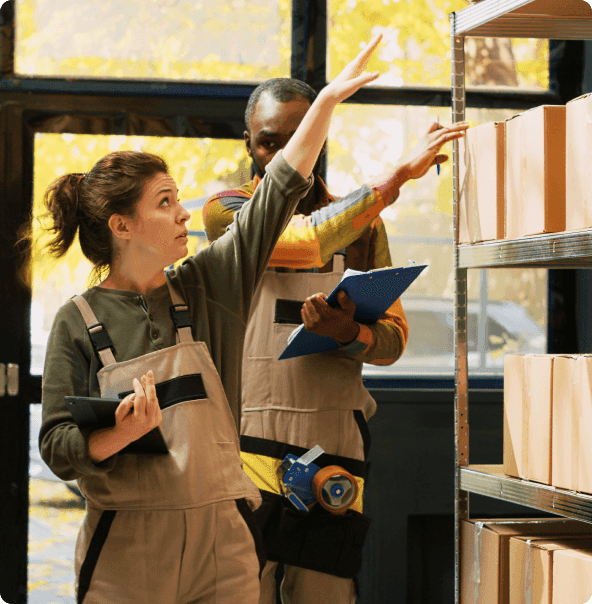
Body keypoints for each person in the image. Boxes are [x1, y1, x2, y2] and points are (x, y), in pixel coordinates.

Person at [37, 35, 385, 604]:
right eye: (166, 201)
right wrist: (115, 434)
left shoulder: (207, 286)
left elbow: (275, 196)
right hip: (127, 541)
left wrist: (324, 107)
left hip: (221, 537)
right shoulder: (76, 322)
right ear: (122, 226)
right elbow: (56, 444)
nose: (184, 212)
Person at [203, 78, 469, 603]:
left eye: (301, 134)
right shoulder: (226, 210)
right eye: (268, 141)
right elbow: (299, 243)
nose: (282, 152)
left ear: (321, 135)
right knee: (236, 592)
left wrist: (347, 333)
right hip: (241, 440)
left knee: (324, 593)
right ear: (248, 141)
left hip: (333, 443)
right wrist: (393, 179)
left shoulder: (366, 229)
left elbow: (393, 342)